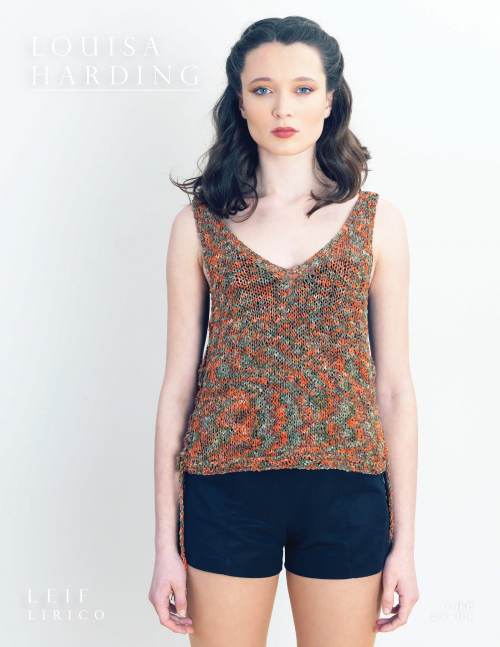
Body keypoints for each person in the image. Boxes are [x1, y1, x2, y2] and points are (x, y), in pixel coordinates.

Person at [148, 16, 419, 646]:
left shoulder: (378, 223)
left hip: (348, 491)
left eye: (302, 88)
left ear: (330, 100)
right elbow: (177, 388)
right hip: (224, 490)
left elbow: (395, 388)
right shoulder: (198, 226)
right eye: (263, 89)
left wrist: (404, 544)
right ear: (240, 102)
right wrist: (164, 546)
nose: (282, 107)